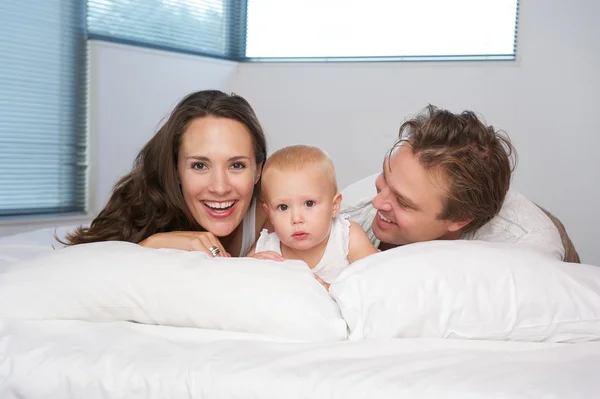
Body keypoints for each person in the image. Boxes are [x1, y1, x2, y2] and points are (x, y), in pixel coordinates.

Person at [341, 105, 568, 261]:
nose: (378, 201)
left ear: (458, 220)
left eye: (403, 201)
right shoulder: (350, 210)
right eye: (385, 176)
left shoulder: (525, 248)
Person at [63, 90, 270, 258]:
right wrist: (153, 243)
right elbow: (83, 263)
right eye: (199, 166)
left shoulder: (278, 211)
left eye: (236, 166)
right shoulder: (142, 203)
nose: (220, 187)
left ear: (258, 170)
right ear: (176, 168)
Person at [248, 145, 378, 286]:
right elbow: (238, 288)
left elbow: (374, 281)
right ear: (270, 214)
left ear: (334, 206)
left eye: (309, 203)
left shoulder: (346, 236)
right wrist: (250, 268)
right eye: (283, 207)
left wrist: (331, 291)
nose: (297, 219)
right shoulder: (266, 247)